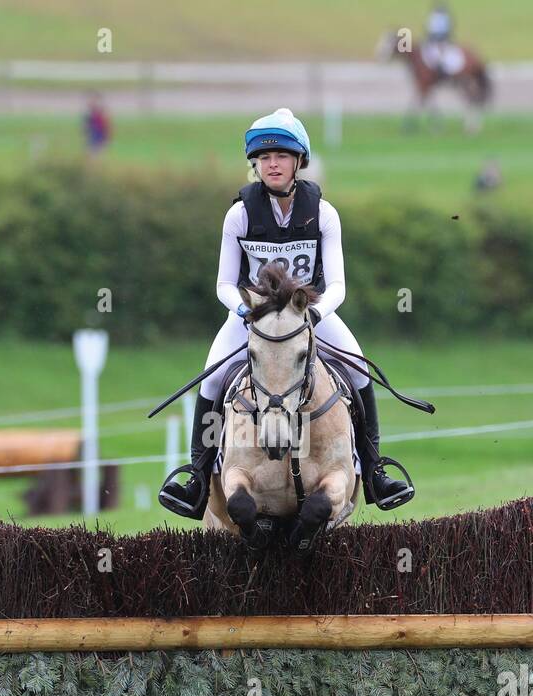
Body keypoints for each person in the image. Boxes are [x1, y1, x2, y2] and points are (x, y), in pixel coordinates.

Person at [158, 107, 415, 519]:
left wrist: (313, 316)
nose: (271, 164)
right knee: (210, 380)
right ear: (255, 165)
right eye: (263, 158)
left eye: (280, 156)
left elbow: (338, 286)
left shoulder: (324, 214)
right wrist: (245, 310)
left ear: (299, 162)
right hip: (252, 319)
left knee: (361, 372)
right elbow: (223, 284)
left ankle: (374, 470)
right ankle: (196, 476)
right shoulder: (239, 214)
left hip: (310, 315)